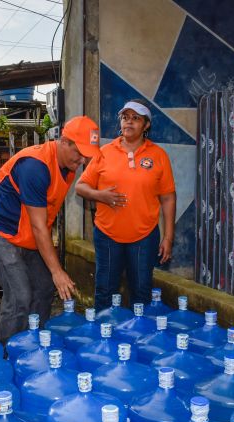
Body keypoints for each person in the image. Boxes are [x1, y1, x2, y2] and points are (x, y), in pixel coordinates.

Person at [0, 116, 101, 344]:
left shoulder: (68, 166)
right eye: (79, 152)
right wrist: (57, 270)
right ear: (64, 141)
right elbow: (39, 225)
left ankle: (34, 342)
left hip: (27, 233)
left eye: (87, 155)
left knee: (44, 287)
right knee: (19, 295)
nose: (83, 160)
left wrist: (53, 272)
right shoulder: (35, 166)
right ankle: (9, 352)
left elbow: (44, 218)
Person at [75, 99, 176, 309]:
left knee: (141, 291)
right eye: (125, 117)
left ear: (146, 125)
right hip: (107, 235)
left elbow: (168, 197)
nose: (129, 122)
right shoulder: (104, 153)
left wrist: (168, 237)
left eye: (136, 118)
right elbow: (80, 186)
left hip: (144, 236)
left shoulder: (159, 156)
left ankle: (137, 338)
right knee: (105, 290)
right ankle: (104, 338)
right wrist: (100, 195)